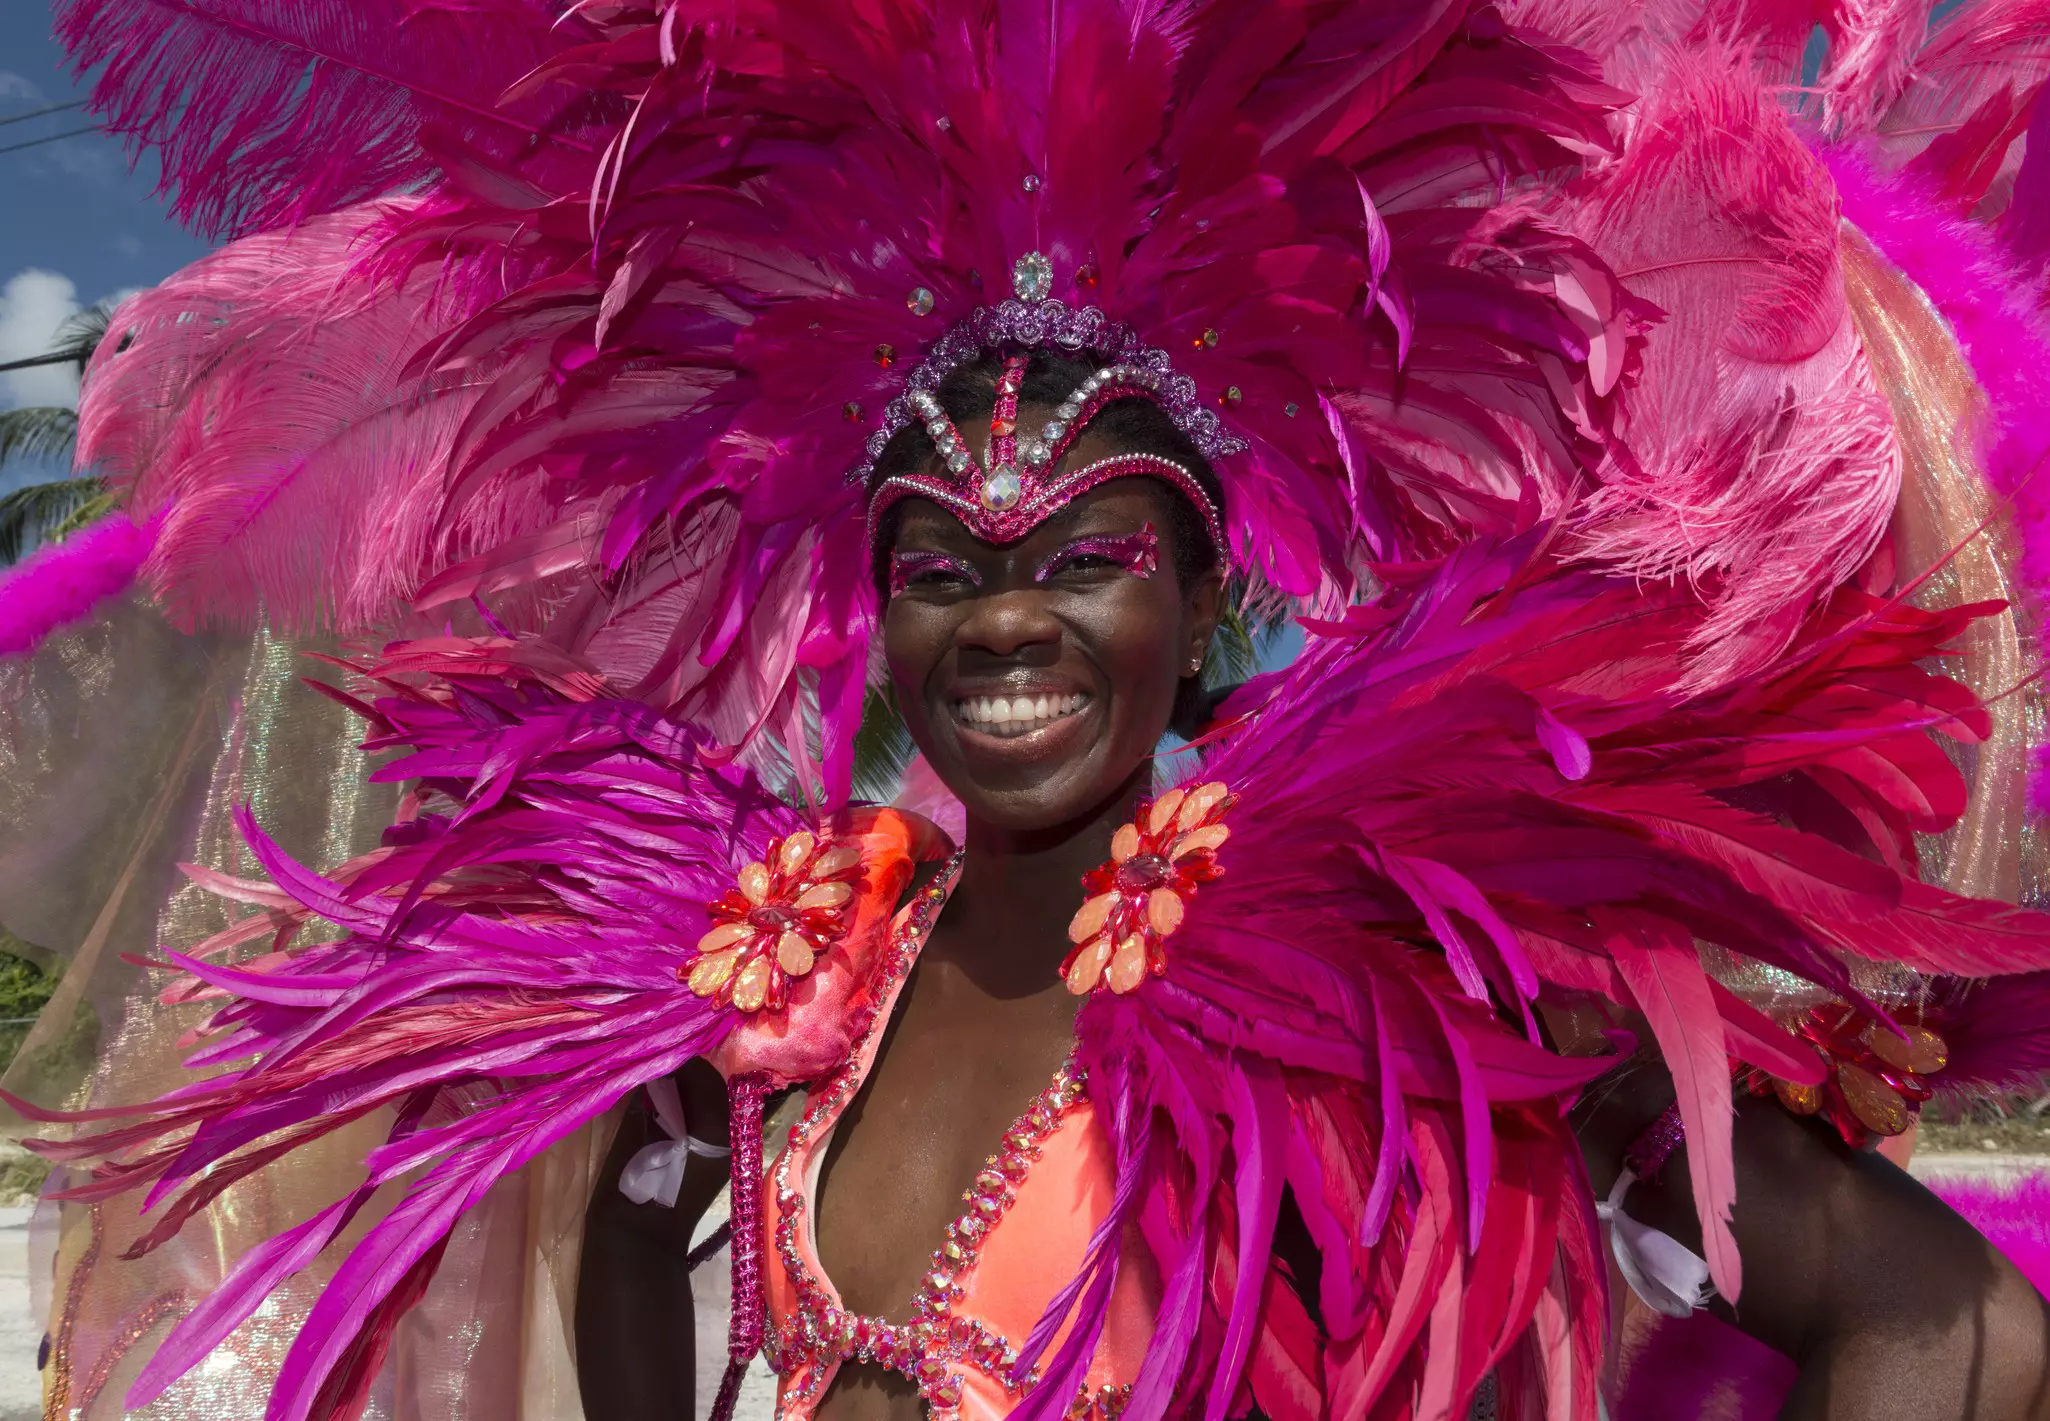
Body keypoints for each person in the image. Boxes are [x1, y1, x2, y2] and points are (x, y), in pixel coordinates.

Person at [11, 1, 2050, 1419]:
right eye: (938, 560)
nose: (1004, 616)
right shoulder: (776, 968)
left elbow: (1937, 1313)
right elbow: (632, 1239)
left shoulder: (1377, 969)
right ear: (868, 604)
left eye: (1079, 554)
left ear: (1189, 588)